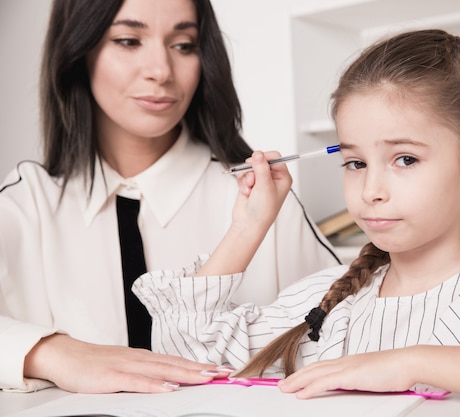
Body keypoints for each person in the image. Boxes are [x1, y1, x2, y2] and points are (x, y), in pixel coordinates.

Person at [134, 28, 460, 416]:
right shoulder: (327, 303)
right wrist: (248, 228)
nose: (371, 190)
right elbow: (184, 351)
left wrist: (413, 362)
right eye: (355, 162)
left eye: (405, 159)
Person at [0, 0, 340, 394]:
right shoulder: (28, 204)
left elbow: (360, 326)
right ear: (79, 51)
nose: (161, 72)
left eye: (183, 45)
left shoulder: (260, 199)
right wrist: (52, 353)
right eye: (128, 41)